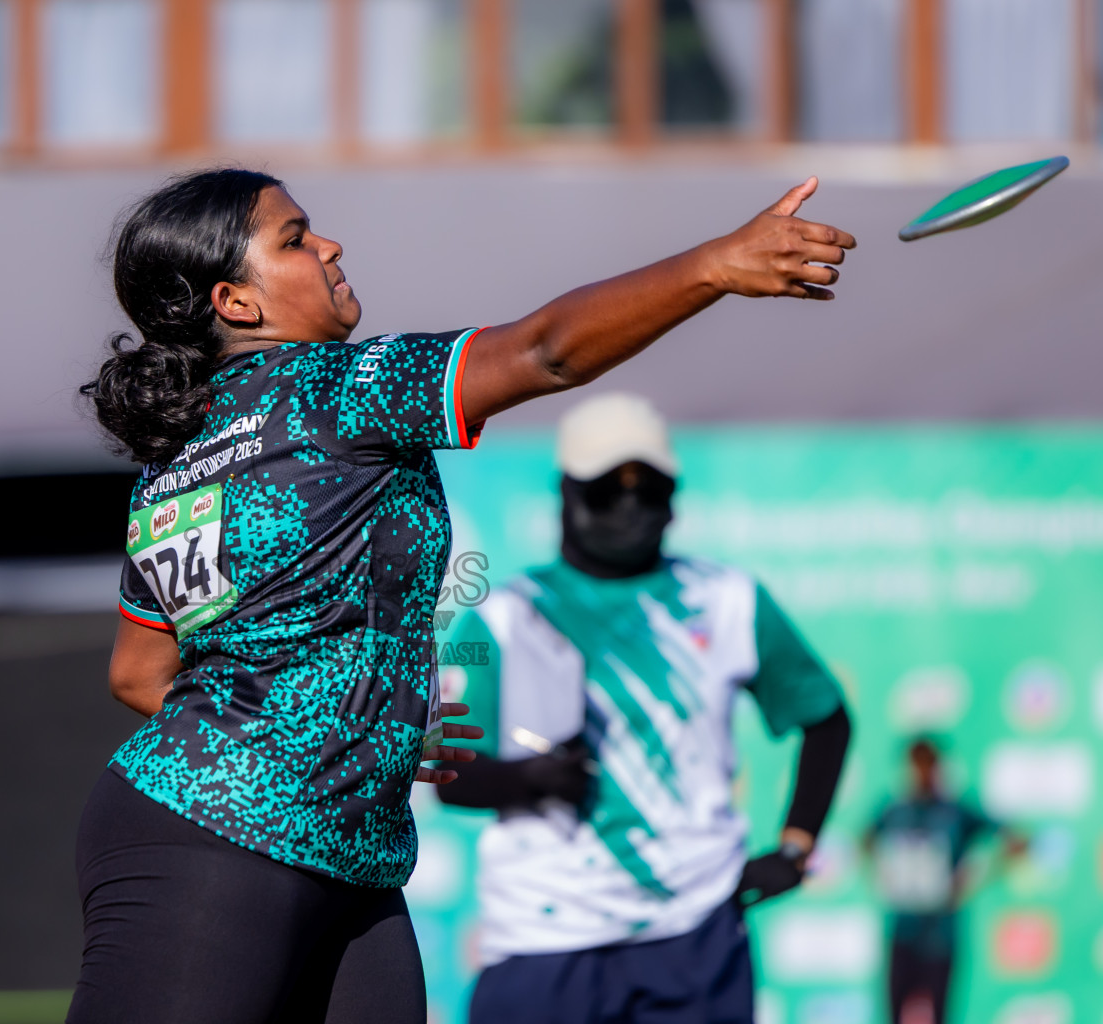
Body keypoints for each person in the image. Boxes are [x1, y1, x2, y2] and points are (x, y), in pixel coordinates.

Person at [71, 167, 856, 1024]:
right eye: (295, 239)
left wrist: (363, 724)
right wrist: (717, 264)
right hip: (216, 835)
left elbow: (138, 671)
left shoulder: (179, 460)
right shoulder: (340, 387)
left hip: (347, 854)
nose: (329, 245)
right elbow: (544, 351)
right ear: (237, 303)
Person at [438, 393, 853, 1024]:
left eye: (650, 490)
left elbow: (826, 718)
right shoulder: (498, 619)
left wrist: (795, 850)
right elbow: (449, 774)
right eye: (608, 490)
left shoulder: (726, 601)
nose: (630, 507)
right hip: (545, 938)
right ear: (568, 493)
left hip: (694, 934)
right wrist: (529, 779)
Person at [864, 737, 1023, 1024]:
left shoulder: (956, 811)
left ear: (938, 767)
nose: (922, 773)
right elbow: (864, 841)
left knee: (941, 1014)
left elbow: (1014, 841)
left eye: (928, 765)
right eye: (916, 765)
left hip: (941, 935)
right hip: (903, 931)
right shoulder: (894, 811)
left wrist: (975, 879)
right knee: (892, 1013)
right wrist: (881, 877)